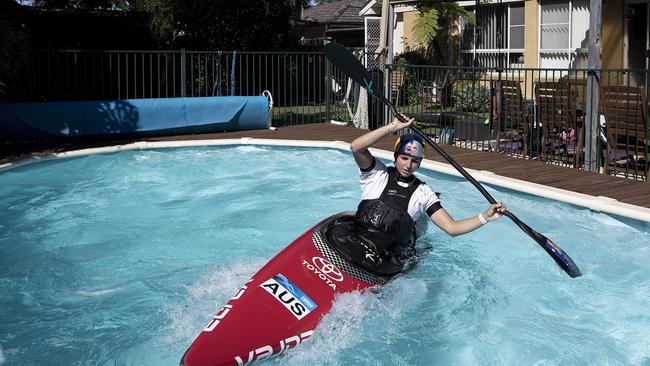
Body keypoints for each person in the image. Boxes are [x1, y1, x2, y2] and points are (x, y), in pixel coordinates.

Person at [340, 116, 507, 276]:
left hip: (388, 261)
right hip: (356, 243)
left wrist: (485, 216)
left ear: (419, 163)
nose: (408, 165)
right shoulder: (376, 174)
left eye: (414, 161)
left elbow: (452, 228)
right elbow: (356, 147)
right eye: (404, 158)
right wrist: (392, 128)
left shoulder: (424, 193)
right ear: (396, 156)